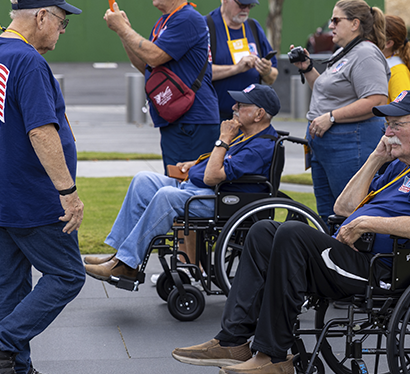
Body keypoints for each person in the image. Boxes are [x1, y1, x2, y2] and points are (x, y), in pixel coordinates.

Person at [171, 91, 410, 374]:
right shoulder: (396, 166)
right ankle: (232, 341)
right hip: (352, 255)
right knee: (263, 232)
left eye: (396, 125)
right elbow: (343, 207)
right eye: (386, 126)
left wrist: (367, 223)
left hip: (386, 268)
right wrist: (376, 158)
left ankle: (273, 356)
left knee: (292, 233)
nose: (388, 133)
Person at [0, 0, 85, 374]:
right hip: (32, 194)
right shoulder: (28, 62)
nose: (61, 30)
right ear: (41, 17)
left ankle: (14, 372)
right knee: (69, 275)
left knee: (11, 285)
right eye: (62, 21)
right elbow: (41, 130)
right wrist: (67, 190)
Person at [84, 84, 280, 283]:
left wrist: (223, 139)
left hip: (225, 201)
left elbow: (212, 177)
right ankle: (121, 256)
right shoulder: (247, 136)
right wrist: (196, 164)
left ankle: (126, 264)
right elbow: (221, 163)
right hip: (204, 191)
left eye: (241, 104)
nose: (233, 107)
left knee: (166, 196)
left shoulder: (258, 146)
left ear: (259, 114)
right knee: (143, 180)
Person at [104, 0, 219, 171]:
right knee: (175, 183)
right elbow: (146, 65)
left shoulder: (187, 18)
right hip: (178, 118)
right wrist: (124, 31)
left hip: (192, 120)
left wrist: (123, 29)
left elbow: (154, 56)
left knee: (185, 188)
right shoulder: (166, 21)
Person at [289, 0, 390, 221]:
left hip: (350, 143)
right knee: (329, 216)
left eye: (336, 20)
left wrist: (332, 118)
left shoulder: (365, 53)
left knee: (350, 214)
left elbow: (377, 100)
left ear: (355, 24)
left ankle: (353, 257)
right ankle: (332, 256)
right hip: (328, 144)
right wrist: (307, 68)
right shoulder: (344, 52)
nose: (331, 25)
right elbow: (326, 93)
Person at [206, 0, 277, 122]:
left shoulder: (253, 27)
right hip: (215, 119)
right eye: (241, 4)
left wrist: (266, 71)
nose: (245, 9)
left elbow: (272, 76)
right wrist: (236, 68)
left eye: (249, 5)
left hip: (251, 121)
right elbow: (198, 72)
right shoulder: (206, 26)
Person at [383, 15, 410, 99]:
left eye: (374, 34)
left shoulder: (398, 72)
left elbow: (402, 110)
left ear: (388, 43)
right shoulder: (384, 64)